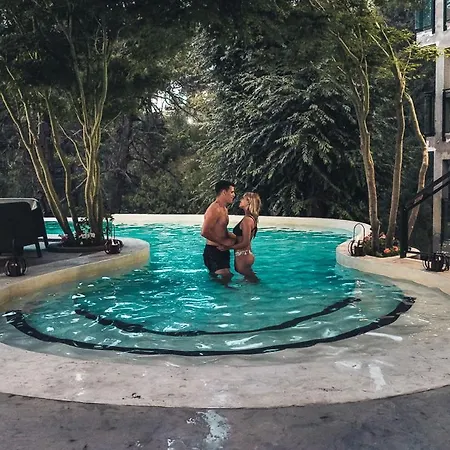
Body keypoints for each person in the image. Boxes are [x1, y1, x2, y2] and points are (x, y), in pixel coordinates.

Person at [201, 180, 237, 283]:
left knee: (227, 278)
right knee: (224, 280)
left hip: (222, 250)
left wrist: (236, 238)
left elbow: (221, 230)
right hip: (213, 251)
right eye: (231, 192)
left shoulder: (224, 209)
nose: (234, 195)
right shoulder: (214, 209)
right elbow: (204, 231)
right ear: (224, 192)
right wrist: (223, 243)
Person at [228, 192, 261, 283]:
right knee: (249, 280)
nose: (240, 200)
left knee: (254, 281)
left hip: (243, 255)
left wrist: (228, 247)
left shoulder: (247, 220)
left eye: (243, 198)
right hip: (245, 254)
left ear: (249, 202)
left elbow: (245, 242)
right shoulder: (250, 218)